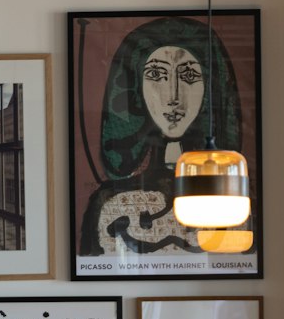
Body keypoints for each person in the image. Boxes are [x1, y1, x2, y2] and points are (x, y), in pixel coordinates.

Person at [79, 15, 242, 260]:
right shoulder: (108, 202)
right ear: (135, 86)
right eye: (156, 75)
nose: (173, 97)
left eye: (188, 77)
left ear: (210, 86)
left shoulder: (236, 203)